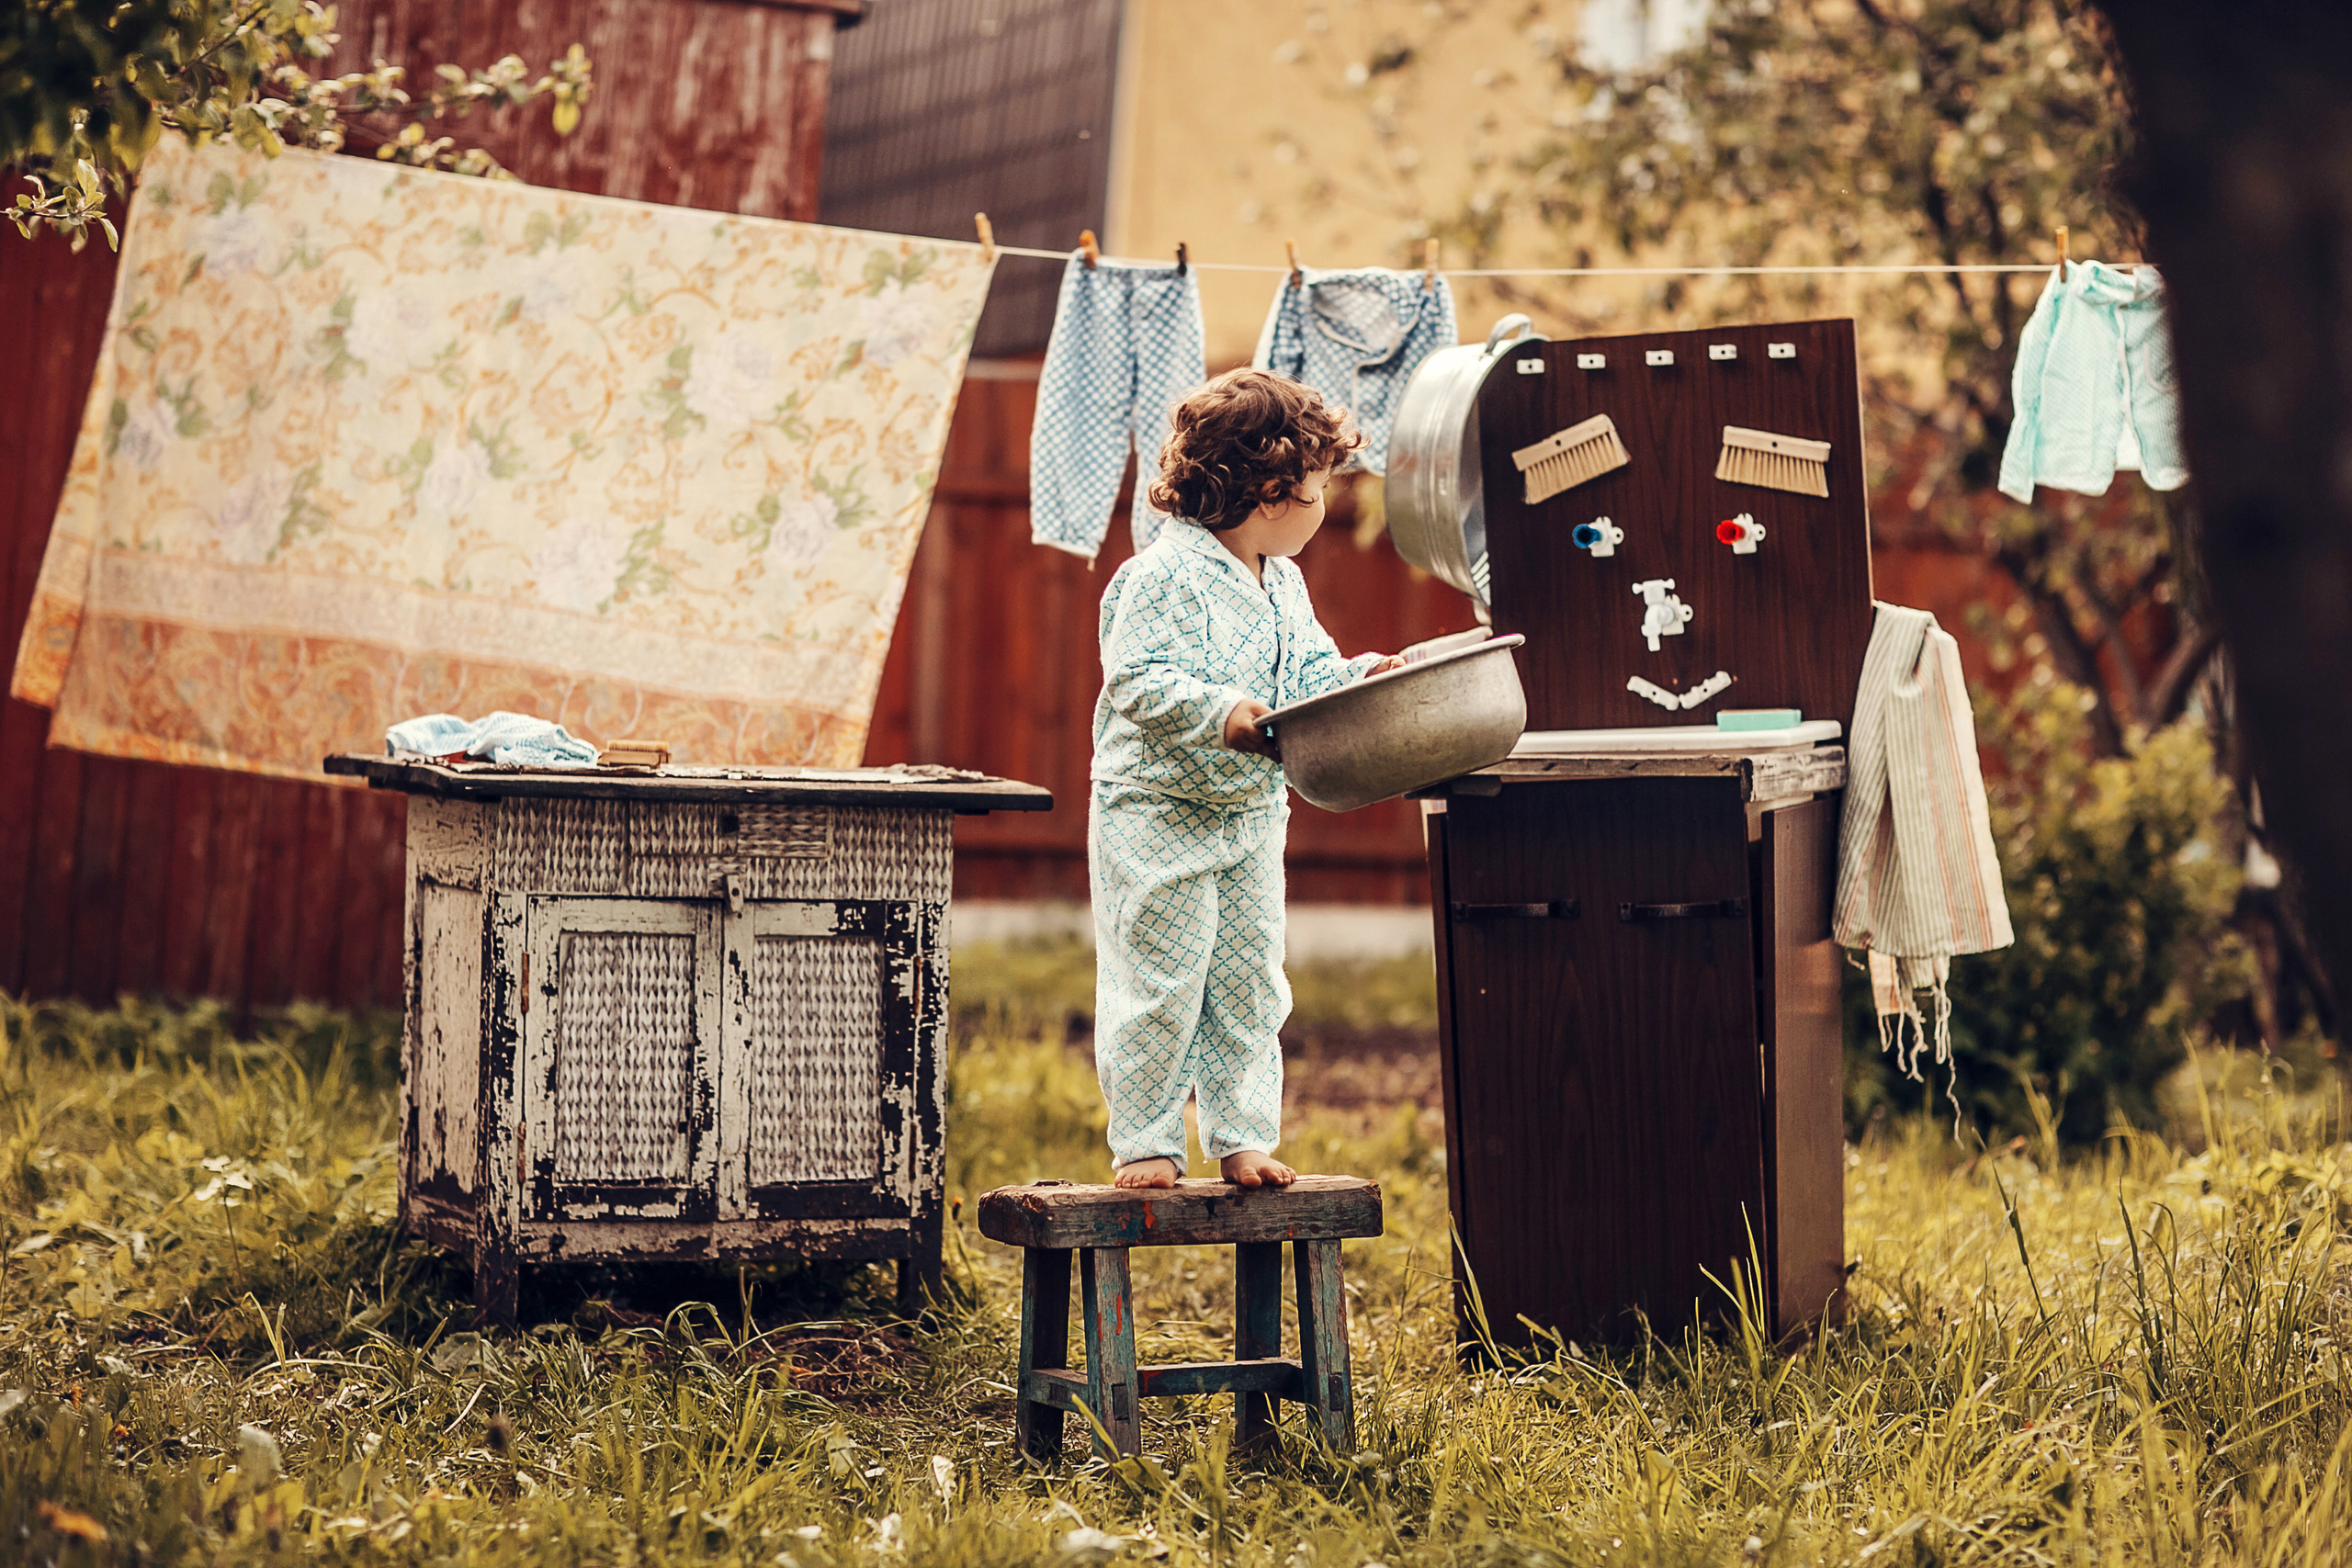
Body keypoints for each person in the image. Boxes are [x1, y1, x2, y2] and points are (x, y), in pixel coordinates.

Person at [1089, 368, 1405, 1190]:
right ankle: (1148, 1140)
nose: (1324, 503)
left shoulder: (1283, 583)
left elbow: (1308, 673)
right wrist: (1225, 710)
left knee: (1249, 980)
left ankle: (1241, 1134)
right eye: (1319, 487)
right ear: (1271, 492)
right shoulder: (1159, 576)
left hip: (1251, 815)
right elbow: (1138, 679)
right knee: (1162, 982)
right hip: (1157, 811)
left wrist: (1368, 677)